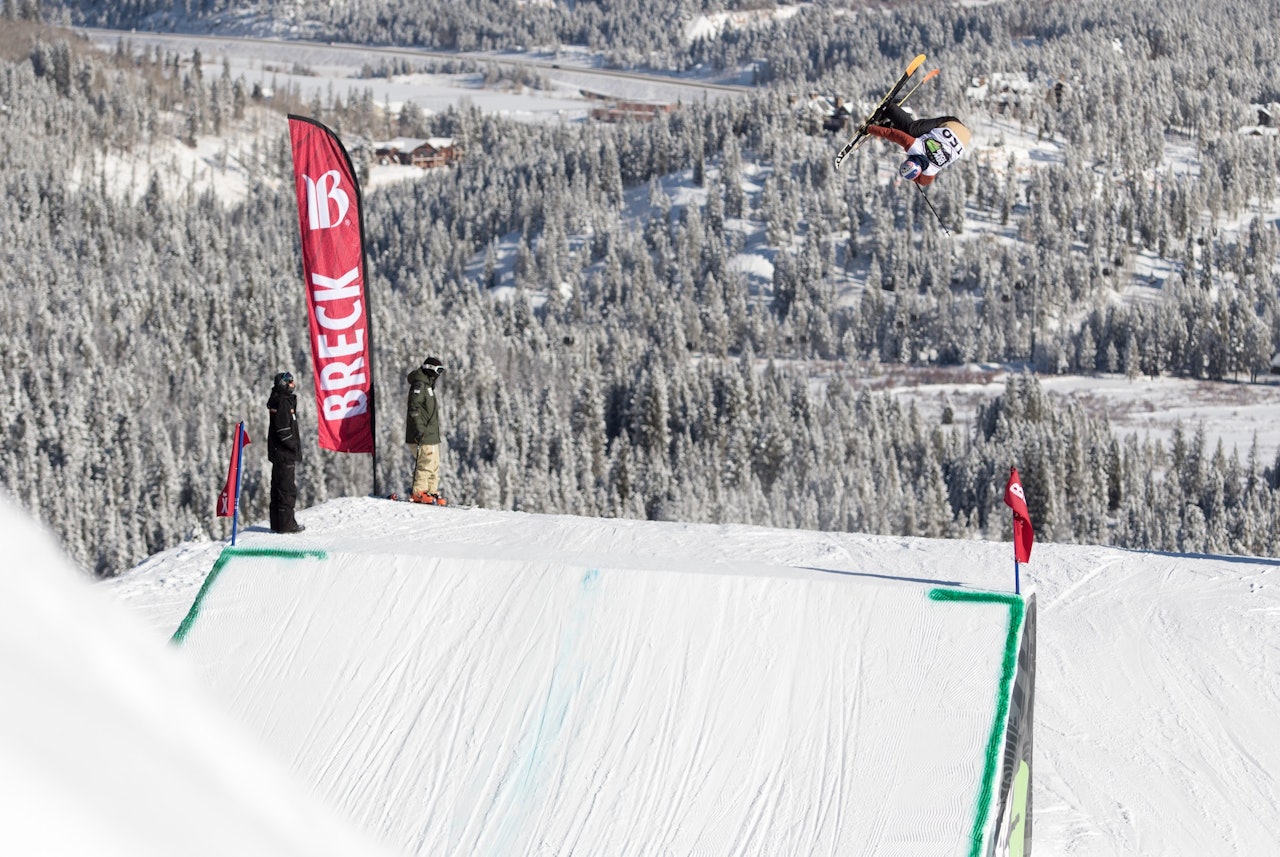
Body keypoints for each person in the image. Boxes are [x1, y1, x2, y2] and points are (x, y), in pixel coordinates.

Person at [866, 101, 970, 187]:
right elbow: (893, 134)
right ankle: (889, 108)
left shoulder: (930, 171)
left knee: (915, 135)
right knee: (912, 130)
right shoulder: (916, 148)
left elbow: (924, 182)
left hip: (965, 139)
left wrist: (915, 176)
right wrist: (869, 129)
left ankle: (892, 123)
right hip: (952, 124)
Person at [405, 357, 447, 505]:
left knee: (434, 464)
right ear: (429, 368)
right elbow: (413, 408)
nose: (439, 374)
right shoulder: (420, 385)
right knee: (426, 463)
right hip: (421, 435)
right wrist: (419, 430)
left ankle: (430, 491)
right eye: (438, 370)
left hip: (431, 435)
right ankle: (419, 493)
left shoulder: (428, 386)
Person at [266, 371, 305, 533]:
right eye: (289, 381)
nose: (292, 383)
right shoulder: (283, 401)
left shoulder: (281, 400)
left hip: (279, 452)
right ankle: (287, 525)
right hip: (284, 453)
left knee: (278, 488)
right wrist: (293, 445)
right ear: (283, 383)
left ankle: (278, 523)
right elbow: (283, 429)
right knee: (286, 489)